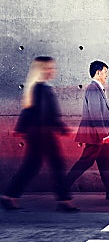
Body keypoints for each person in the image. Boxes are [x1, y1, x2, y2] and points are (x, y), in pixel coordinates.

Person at [0, 56, 78, 212]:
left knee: (31, 166)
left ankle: (9, 196)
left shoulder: (35, 88)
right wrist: (60, 127)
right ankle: (64, 201)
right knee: (56, 166)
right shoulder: (42, 89)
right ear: (42, 70)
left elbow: (29, 111)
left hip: (37, 133)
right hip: (44, 134)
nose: (52, 70)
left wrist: (22, 127)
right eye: (49, 68)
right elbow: (45, 114)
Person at [66, 60, 109, 200]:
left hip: (101, 135)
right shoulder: (93, 88)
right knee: (85, 161)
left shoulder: (97, 89)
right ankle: (63, 186)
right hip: (97, 136)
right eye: (105, 72)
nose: (107, 75)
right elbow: (95, 114)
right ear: (98, 72)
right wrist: (103, 135)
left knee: (107, 162)